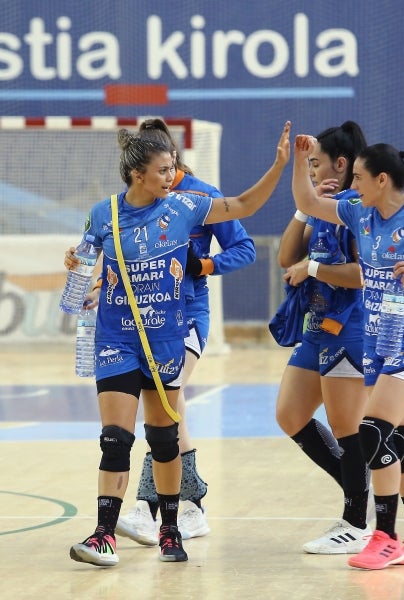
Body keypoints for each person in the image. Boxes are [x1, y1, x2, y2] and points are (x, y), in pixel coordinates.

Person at [68, 121, 291, 567]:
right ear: (137, 174)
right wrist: (79, 272)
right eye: (164, 169)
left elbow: (244, 204)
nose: (172, 176)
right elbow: (82, 273)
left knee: (164, 438)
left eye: (173, 167)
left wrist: (279, 166)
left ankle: (169, 528)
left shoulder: (187, 205)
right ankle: (103, 536)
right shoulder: (102, 214)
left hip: (166, 337)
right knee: (114, 439)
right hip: (116, 337)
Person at [291, 135, 404, 570]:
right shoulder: (360, 212)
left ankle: (385, 537)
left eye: (358, 176)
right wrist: (299, 161)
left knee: (371, 431)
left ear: (382, 179)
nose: (351, 184)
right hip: (377, 341)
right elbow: (307, 201)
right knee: (402, 444)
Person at [114, 118, 256, 545]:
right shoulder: (135, 201)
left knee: (166, 406)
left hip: (187, 317)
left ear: (168, 158)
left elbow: (244, 248)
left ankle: (151, 508)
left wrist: (204, 264)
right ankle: (186, 508)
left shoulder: (201, 196)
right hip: (144, 319)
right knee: (167, 410)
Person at [275, 121, 372, 554]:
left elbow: (364, 275)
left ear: (341, 163)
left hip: (348, 328)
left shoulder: (358, 208)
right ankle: (360, 490)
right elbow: (285, 256)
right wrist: (305, 210)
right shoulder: (325, 208)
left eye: (315, 164)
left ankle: (357, 521)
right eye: (308, 165)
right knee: (290, 414)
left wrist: (313, 270)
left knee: (346, 427)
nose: (311, 173)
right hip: (316, 330)